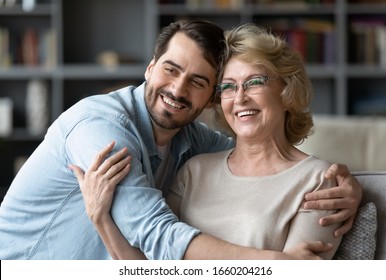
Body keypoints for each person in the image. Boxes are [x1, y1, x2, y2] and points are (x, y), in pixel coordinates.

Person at [0, 19, 360, 260]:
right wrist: (278, 264)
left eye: (199, 82)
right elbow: (153, 234)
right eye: (171, 69)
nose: (177, 89)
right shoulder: (101, 127)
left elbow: (261, 159)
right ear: (150, 67)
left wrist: (352, 182)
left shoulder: (193, 142)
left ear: (209, 99)